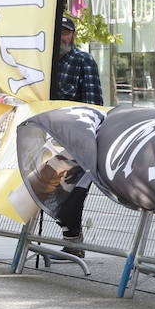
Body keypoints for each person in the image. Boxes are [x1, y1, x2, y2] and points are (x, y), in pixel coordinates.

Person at [51, 16, 104, 257]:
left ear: (73, 35)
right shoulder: (44, 63)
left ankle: (73, 244)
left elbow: (94, 105)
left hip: (74, 139)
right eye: (58, 32)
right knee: (47, 189)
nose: (61, 37)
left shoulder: (83, 61)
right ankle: (70, 241)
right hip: (46, 136)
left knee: (70, 193)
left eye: (65, 33)